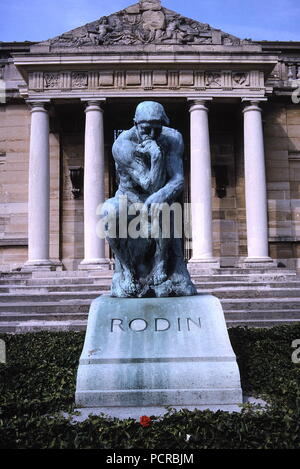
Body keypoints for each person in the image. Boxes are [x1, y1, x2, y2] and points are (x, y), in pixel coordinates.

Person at [102, 101, 196, 298]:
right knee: (108, 211)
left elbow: (178, 180)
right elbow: (148, 183)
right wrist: (156, 157)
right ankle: (127, 271)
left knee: (161, 205)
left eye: (157, 128)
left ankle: (161, 265)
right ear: (135, 124)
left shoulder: (173, 138)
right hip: (129, 199)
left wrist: (161, 194)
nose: (152, 135)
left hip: (158, 201)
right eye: (146, 129)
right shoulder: (122, 145)